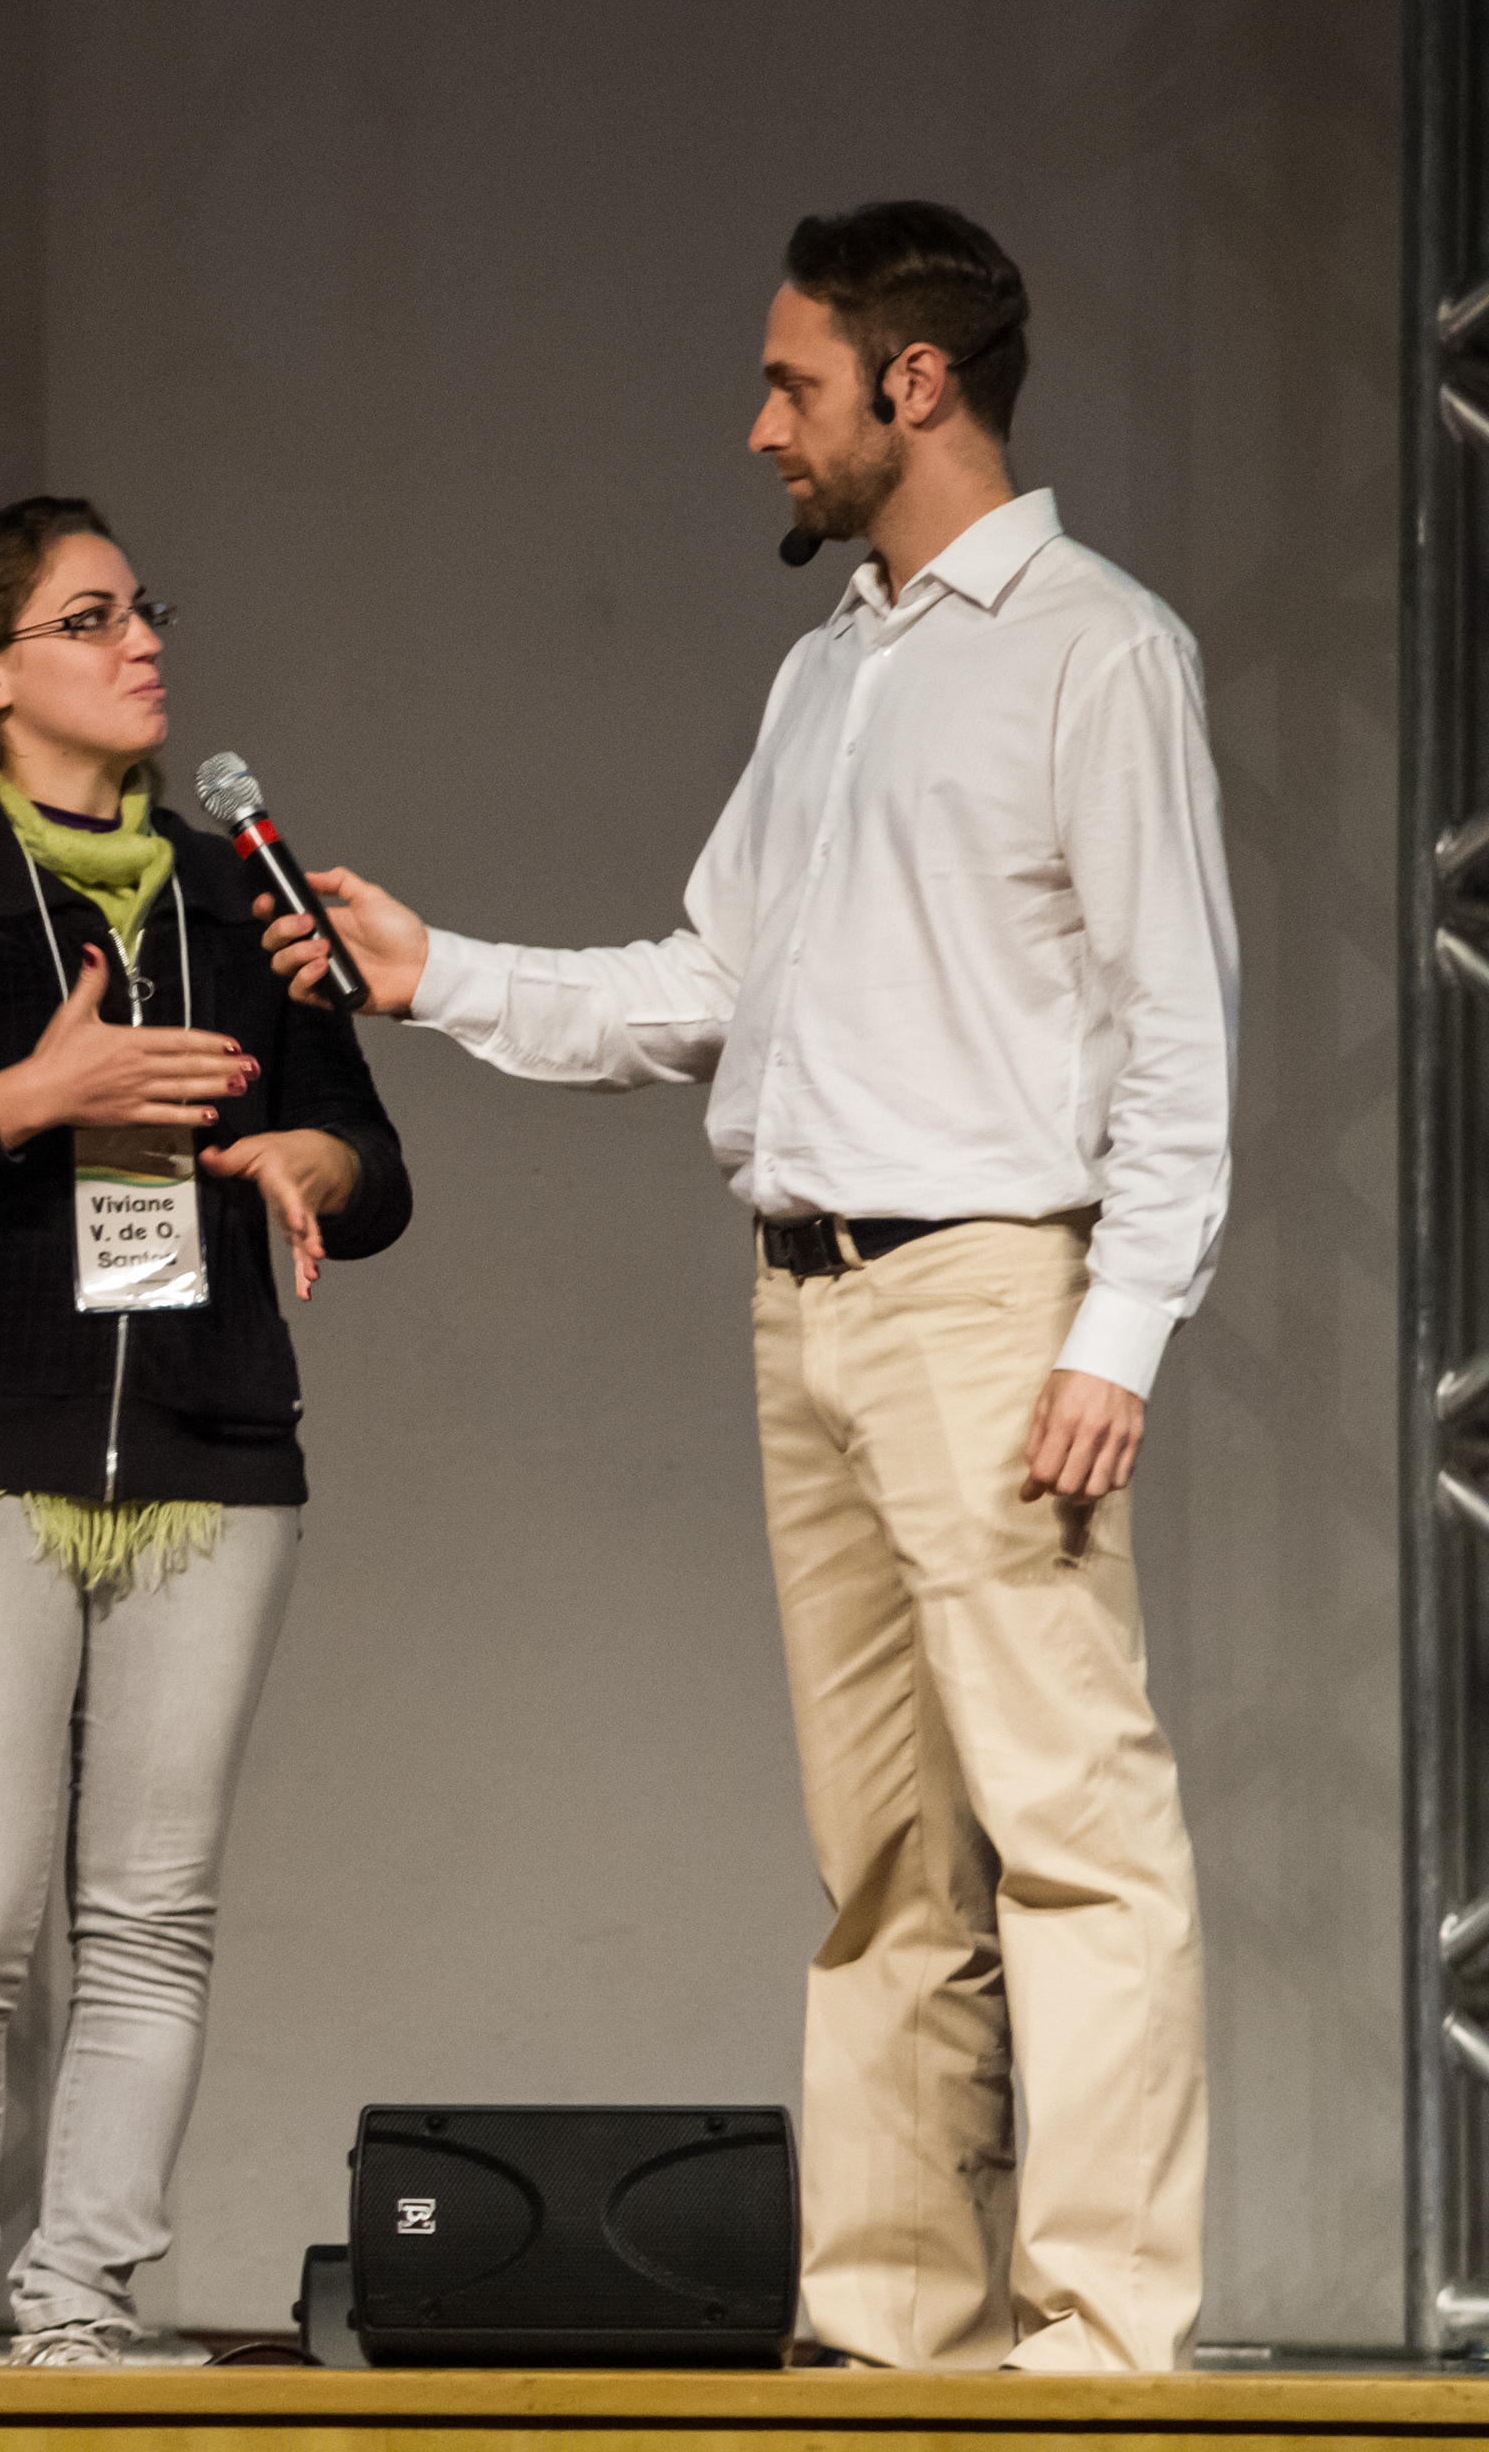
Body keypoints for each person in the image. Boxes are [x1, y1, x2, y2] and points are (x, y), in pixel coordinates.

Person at [260, 203, 1232, 2373]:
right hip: (808, 1303)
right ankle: (896, 2328)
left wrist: (1118, 1328)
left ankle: (1104, 2334)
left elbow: (1181, 1027)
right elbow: (713, 985)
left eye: (794, 382)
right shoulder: (829, 673)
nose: (759, 426)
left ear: (915, 382)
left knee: (1073, 1831)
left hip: (992, 1295)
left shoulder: (1096, 650)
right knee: (883, 1858)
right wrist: (438, 975)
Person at [0, 496, 411, 2366]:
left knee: (150, 1918)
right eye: (93, 617)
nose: (143, 643)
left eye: (145, 610)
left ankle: (78, 2302)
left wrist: (319, 1161)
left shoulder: (232, 890)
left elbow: (370, 1163)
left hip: (211, 1451)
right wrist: (32, 1097)